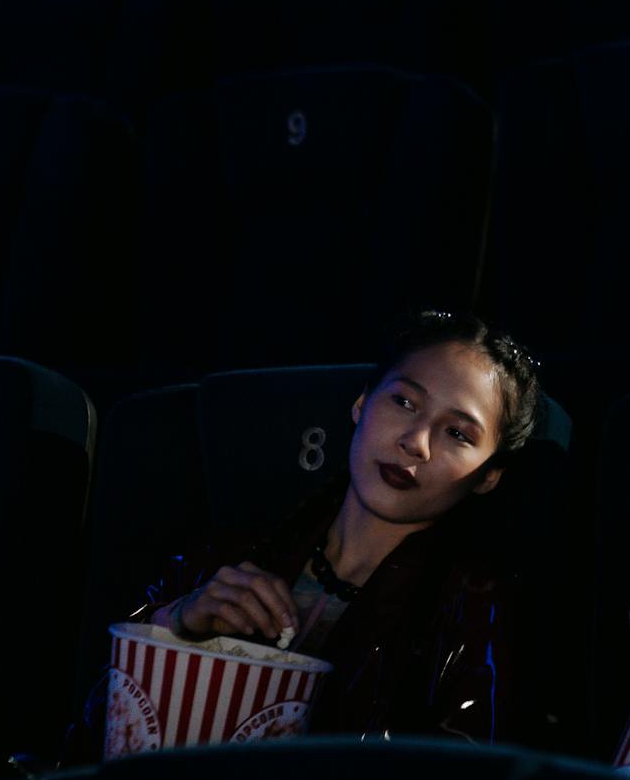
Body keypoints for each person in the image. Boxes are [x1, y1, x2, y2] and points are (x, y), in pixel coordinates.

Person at [113, 308, 548, 745]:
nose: (415, 442)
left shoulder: (480, 612)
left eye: (457, 433)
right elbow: (101, 729)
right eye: (404, 402)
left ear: (489, 475)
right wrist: (177, 626)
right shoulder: (231, 553)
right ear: (361, 403)